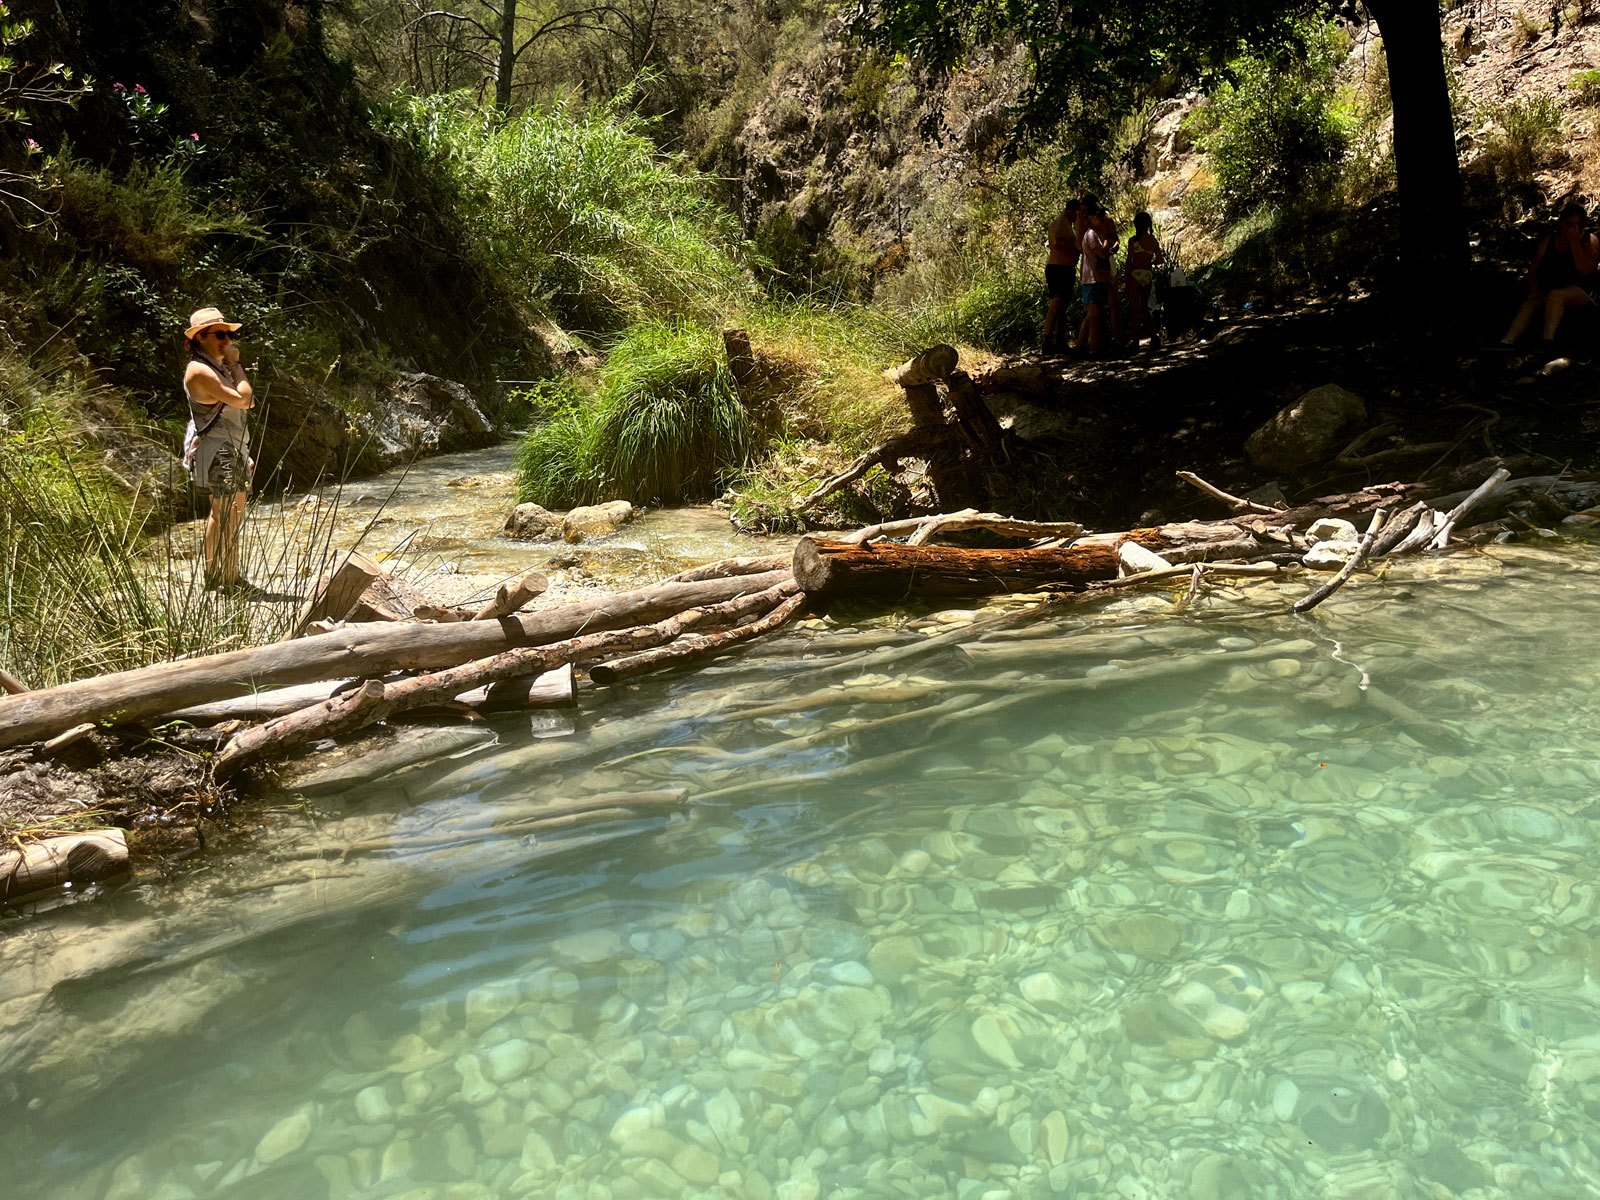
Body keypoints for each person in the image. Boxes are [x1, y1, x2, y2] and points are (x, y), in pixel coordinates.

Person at [182, 306, 255, 592]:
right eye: (220, 334)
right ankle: (223, 578)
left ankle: (226, 576)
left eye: (228, 334)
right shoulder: (200, 371)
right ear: (201, 337)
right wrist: (238, 366)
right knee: (226, 512)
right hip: (218, 449)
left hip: (229, 446)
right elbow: (245, 400)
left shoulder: (214, 366)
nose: (227, 340)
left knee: (228, 512)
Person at [1497, 202, 1599, 358]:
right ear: (1561, 222)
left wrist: (1575, 244)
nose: (1572, 228)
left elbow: (1587, 270)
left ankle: (1547, 342)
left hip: (1583, 291)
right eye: (1569, 223)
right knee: (1530, 304)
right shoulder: (1550, 241)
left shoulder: (1589, 240)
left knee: (1555, 295)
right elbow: (1534, 268)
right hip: (1552, 288)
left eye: (1577, 224)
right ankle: (1507, 341)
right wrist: (1535, 289)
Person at [1072, 200, 1115, 356]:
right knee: (1093, 315)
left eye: (1103, 214)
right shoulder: (1090, 234)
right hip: (1092, 279)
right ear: (1091, 217)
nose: (1102, 217)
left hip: (1098, 278)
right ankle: (1094, 349)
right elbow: (1101, 253)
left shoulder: (1096, 233)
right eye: (1099, 215)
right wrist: (1108, 244)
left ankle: (1082, 347)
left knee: (1094, 315)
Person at [1042, 199, 1081, 353]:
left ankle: (1060, 340)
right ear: (1072, 211)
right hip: (1058, 268)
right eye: (1078, 213)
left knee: (1062, 306)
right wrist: (1074, 248)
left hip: (1066, 268)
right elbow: (1056, 244)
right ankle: (1047, 341)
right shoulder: (1060, 223)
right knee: (1056, 303)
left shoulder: (1067, 224)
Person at [1124, 211, 1167, 350]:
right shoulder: (1153, 241)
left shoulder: (1133, 241)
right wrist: (1150, 261)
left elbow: (1129, 262)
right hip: (1148, 275)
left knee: (1135, 310)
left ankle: (1135, 341)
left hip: (1135, 275)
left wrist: (1126, 278)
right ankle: (1154, 336)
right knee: (1145, 307)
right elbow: (1160, 260)